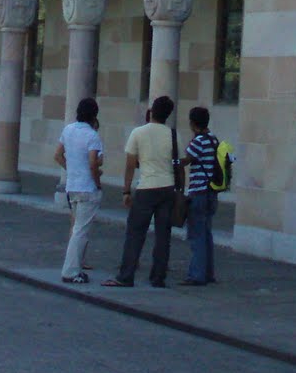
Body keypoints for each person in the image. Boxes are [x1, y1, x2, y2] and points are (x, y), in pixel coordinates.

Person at [103, 95, 178, 289]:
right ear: (168, 115)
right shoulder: (173, 134)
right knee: (163, 235)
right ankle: (158, 277)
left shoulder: (138, 132)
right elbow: (177, 163)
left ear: (152, 111)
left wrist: (126, 190)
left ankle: (126, 275)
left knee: (135, 233)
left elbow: (130, 165)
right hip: (168, 186)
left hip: (146, 187)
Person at [54, 96, 104, 284]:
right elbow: (93, 163)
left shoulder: (68, 130)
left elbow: (58, 155)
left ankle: (73, 268)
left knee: (76, 228)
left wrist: (72, 169)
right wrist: (97, 181)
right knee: (81, 231)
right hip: (87, 187)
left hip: (72, 186)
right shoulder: (92, 135)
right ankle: (71, 271)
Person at [178, 105, 220, 286]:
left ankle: (197, 275)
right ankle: (208, 273)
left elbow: (185, 161)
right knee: (207, 234)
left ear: (192, 123)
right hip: (212, 193)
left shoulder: (198, 142)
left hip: (199, 192)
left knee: (196, 236)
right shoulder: (213, 140)